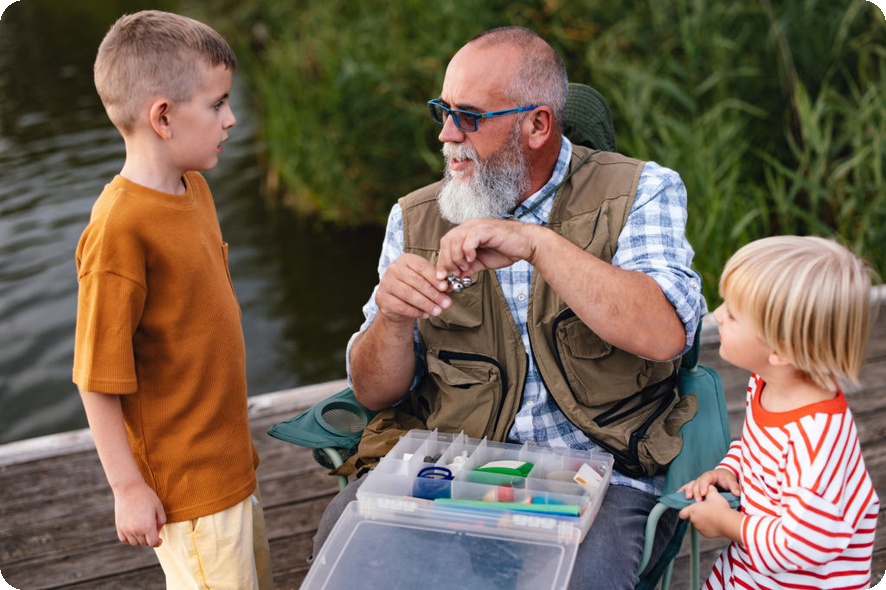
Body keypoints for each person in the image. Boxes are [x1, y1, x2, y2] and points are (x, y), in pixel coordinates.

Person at [313, 26, 706, 589]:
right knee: (349, 558)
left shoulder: (642, 190)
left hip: (605, 478)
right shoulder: (413, 218)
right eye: (442, 111)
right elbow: (375, 393)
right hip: (451, 471)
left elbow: (664, 334)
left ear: (537, 125)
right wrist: (391, 318)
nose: (447, 134)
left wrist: (538, 243)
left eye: (468, 116)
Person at [72, 11, 273, 589]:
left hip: (232, 468)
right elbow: (96, 378)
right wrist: (128, 488)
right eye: (218, 104)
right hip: (191, 491)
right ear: (162, 117)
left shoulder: (195, 187)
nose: (231, 119)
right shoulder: (119, 230)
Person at [678, 236, 879, 590]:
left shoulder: (816, 439)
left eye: (733, 313)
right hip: (753, 568)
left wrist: (726, 524)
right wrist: (729, 469)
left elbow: (802, 543)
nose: (718, 315)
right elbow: (756, 448)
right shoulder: (767, 383)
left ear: (781, 351)